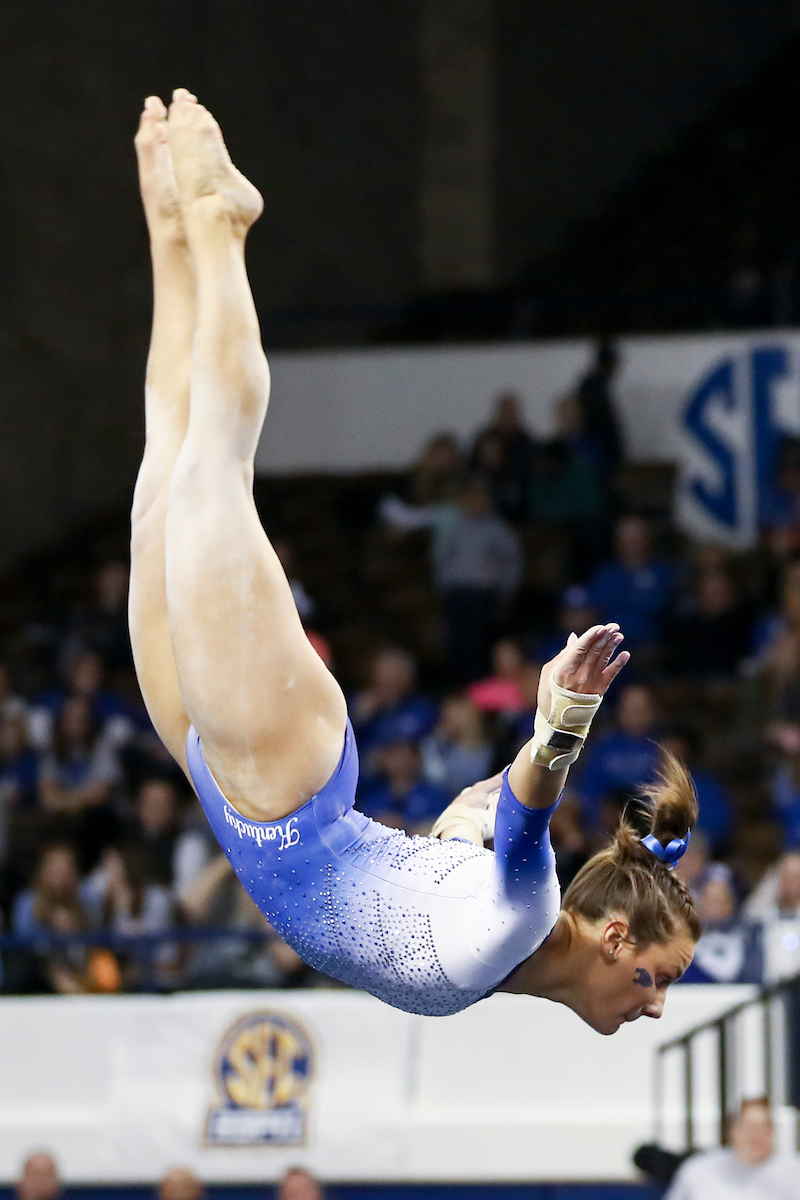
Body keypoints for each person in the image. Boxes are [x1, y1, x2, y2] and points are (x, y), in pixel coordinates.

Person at [128, 89, 697, 1029]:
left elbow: (478, 813)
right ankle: (222, 229)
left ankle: (168, 232)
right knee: (209, 469)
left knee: (164, 475)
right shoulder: (520, 917)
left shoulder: (485, 918)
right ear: (614, 942)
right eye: (658, 978)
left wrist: (511, 771)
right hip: (286, 789)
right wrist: (560, 726)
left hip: (232, 795)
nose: (657, 1007)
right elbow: (521, 815)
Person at [665, 1097, 800, 1198]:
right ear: (732, 1130)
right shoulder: (699, 1169)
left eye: (764, 1127)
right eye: (749, 1127)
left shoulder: (793, 1170)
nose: (757, 1135)